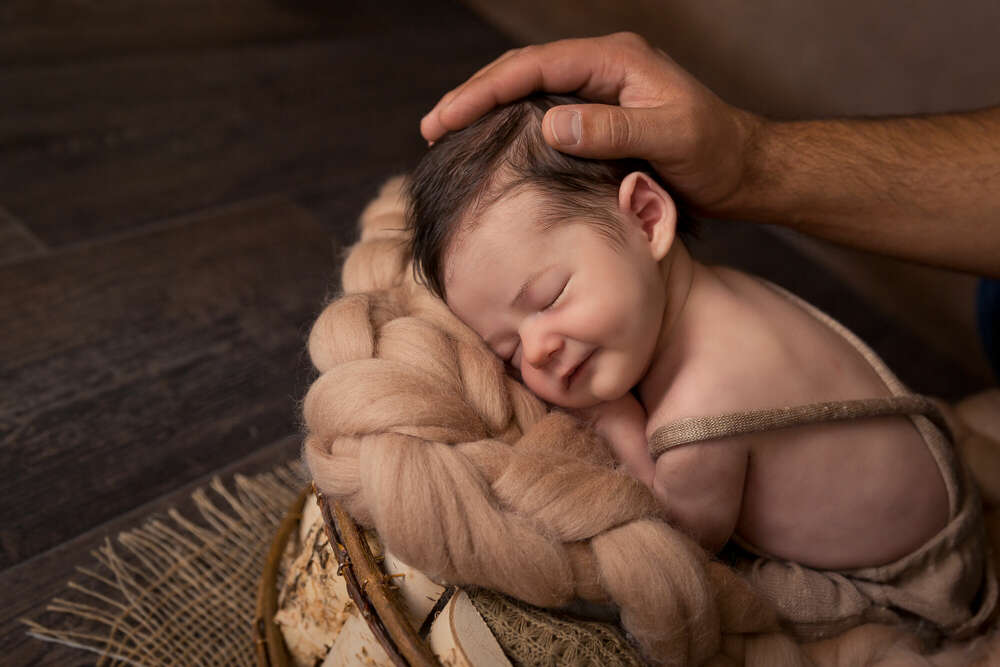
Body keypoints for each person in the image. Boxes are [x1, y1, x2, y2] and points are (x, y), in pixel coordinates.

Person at [406, 93, 996, 640]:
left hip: (905, 580)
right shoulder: (713, 297)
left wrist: (614, 417)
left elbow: (679, 540)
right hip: (932, 480)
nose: (535, 350)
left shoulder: (702, 412)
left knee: (721, 610)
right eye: (506, 350)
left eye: (551, 297)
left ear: (645, 217)